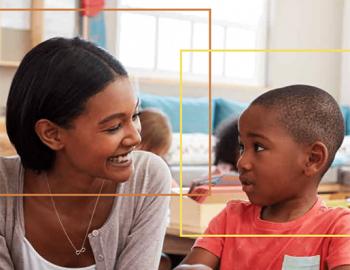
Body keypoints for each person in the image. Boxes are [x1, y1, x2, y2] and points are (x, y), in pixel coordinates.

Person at [0, 37, 172, 270]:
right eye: (113, 127)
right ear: (51, 134)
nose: (136, 138)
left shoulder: (147, 178)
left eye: (134, 116)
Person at [175, 85, 350, 270]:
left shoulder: (338, 229)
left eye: (258, 147)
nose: (242, 162)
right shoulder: (230, 219)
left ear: (312, 159)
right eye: (242, 147)